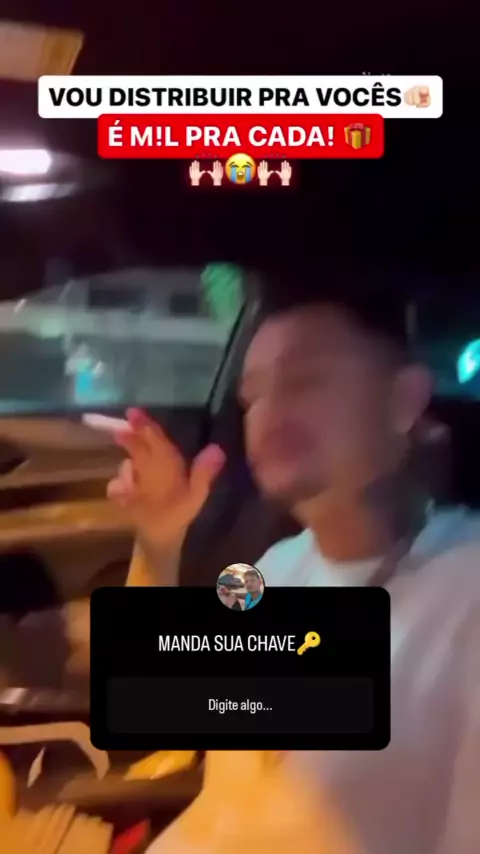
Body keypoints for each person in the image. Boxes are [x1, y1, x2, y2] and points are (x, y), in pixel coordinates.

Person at [107, 285, 480, 854]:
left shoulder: (464, 592)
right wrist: (160, 539)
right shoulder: (273, 569)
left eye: (306, 380)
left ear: (404, 400)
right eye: (253, 395)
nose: (269, 412)